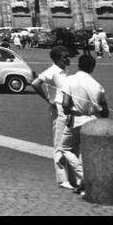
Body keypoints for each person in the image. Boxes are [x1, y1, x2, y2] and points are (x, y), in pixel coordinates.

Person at [59, 52, 109, 191]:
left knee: (65, 148)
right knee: (84, 152)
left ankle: (84, 177)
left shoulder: (70, 80)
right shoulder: (97, 85)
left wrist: (68, 112)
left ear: (79, 65)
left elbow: (65, 103)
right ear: (92, 68)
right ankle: (83, 184)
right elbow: (105, 112)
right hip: (93, 120)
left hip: (76, 119)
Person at [31, 45, 72, 188]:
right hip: (59, 109)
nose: (68, 58)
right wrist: (47, 99)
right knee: (59, 142)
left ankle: (70, 176)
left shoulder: (64, 71)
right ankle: (62, 179)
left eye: (68, 55)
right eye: (65, 57)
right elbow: (35, 83)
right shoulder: (52, 71)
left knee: (68, 142)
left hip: (67, 109)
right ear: (57, 59)